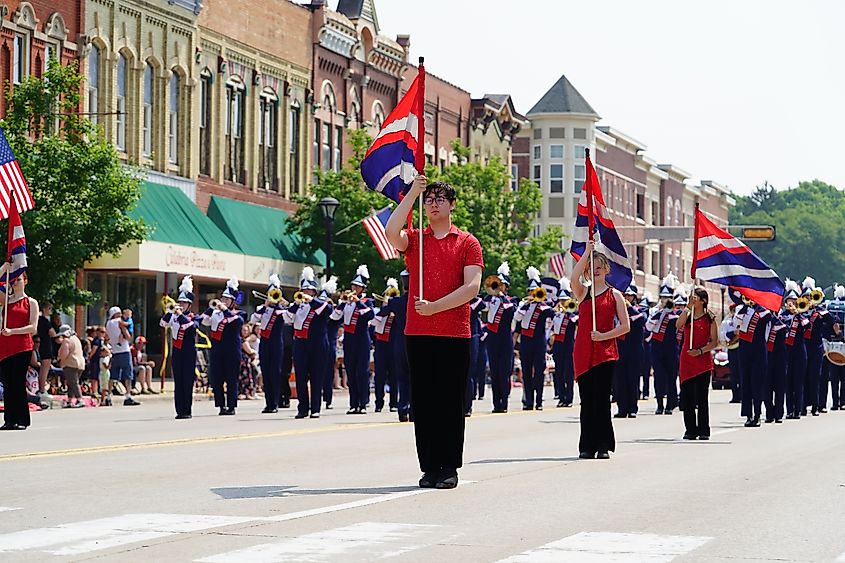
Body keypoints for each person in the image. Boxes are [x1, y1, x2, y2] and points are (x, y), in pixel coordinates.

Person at [385, 175, 484, 489]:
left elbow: (472, 287)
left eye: (440, 198)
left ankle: (449, 467)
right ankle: (429, 467)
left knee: (450, 402)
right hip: (419, 332)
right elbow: (390, 232)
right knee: (424, 402)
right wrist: (413, 192)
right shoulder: (417, 240)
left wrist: (436, 307)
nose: (433, 203)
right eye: (429, 199)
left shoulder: (467, 242)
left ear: (452, 205)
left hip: (454, 333)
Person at [569, 243, 630, 460]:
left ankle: (603, 444)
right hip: (583, 351)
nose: (595, 270)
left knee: (602, 399)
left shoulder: (615, 295)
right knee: (587, 401)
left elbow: (625, 326)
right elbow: (572, 279)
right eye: (591, 267)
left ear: (606, 269)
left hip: (605, 352)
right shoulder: (583, 292)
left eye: (599, 267)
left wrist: (604, 336)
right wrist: (586, 252)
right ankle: (587, 445)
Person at [285, 266, 331, 419]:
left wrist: (311, 301)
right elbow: (287, 319)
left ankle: (316, 408)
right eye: (304, 290)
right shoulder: (298, 306)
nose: (305, 293)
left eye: (309, 290)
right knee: (301, 376)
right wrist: (296, 304)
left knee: (317, 377)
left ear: (314, 292)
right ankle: (302, 408)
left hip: (317, 344)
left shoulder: (321, 304)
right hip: (300, 344)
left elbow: (327, 311)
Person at [676, 287, 718, 439]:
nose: (692, 299)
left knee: (701, 398)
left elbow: (714, 342)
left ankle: (703, 430)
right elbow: (678, 325)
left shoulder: (710, 318)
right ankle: (690, 430)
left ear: (703, 300)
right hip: (687, 360)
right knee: (687, 398)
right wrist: (687, 308)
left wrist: (700, 351)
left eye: (695, 297)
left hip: (702, 360)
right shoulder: (688, 316)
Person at [332, 265, 375, 414]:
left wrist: (357, 301)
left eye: (357, 286)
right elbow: (334, 317)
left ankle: (363, 403)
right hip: (349, 340)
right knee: (350, 371)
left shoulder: (367, 301)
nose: (354, 288)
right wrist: (342, 304)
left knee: (362, 372)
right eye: (353, 286)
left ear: (363, 288)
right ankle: (353, 403)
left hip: (362, 339)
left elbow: (370, 316)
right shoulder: (347, 303)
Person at [0, 264, 39, 429]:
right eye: (13, 280)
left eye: (19, 280)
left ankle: (21, 419)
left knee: (17, 382)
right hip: (5, 347)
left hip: (22, 347)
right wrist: (3, 268)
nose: (15, 283)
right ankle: (9, 419)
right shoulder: (6, 301)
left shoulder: (31, 302)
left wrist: (12, 331)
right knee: (8, 384)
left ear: (25, 281)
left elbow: (33, 327)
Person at [200, 278, 245, 415]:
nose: (223, 301)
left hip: (232, 350)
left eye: (227, 299)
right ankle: (221, 405)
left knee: (231, 378)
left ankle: (231, 406)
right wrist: (211, 307)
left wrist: (224, 309)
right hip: (217, 349)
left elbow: (236, 322)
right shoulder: (215, 313)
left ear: (233, 301)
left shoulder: (239, 314)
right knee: (217, 378)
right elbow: (203, 321)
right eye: (223, 298)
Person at [514, 270, 556, 411]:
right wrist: (527, 304)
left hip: (539, 343)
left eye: (535, 291)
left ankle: (539, 400)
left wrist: (543, 302)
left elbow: (553, 314)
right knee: (526, 372)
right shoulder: (523, 305)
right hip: (526, 342)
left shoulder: (544, 308)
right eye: (531, 291)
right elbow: (517, 318)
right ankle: (528, 401)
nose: (533, 294)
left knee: (539, 372)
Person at [160, 275, 198, 419]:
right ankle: (179, 410)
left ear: (189, 305)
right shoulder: (174, 317)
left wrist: (179, 313)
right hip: (177, 352)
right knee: (178, 381)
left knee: (187, 381)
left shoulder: (194, 317)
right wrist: (170, 312)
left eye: (184, 303)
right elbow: (162, 324)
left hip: (188, 353)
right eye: (180, 302)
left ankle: (187, 410)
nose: (181, 305)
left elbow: (189, 326)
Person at [482, 262, 517, 413]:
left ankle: (504, 401)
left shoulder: (511, 300)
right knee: (494, 371)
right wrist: (492, 298)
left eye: (502, 284)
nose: (499, 286)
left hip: (505, 340)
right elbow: (482, 309)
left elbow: (512, 312)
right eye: (497, 284)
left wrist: (501, 297)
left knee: (504, 372)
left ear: (506, 287)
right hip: (492, 339)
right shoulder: (488, 299)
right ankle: (496, 403)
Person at [251, 274, 287, 414]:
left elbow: (288, 317)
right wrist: (265, 307)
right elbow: (253, 319)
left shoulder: (281, 310)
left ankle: (276, 402)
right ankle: (268, 403)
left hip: (276, 343)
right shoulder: (262, 308)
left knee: (275, 372)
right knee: (266, 372)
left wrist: (282, 304)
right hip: (265, 343)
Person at [646, 273, 681, 415]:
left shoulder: (676, 313)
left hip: (671, 347)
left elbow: (679, 326)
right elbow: (648, 327)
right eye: (664, 298)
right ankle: (660, 404)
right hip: (657, 347)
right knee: (659, 376)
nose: (666, 301)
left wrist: (670, 311)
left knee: (671, 376)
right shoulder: (654, 312)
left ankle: (671, 404)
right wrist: (660, 312)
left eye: (669, 298)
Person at [372, 278, 400, 413]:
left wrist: (393, 308)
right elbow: (373, 324)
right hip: (381, 346)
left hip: (393, 346)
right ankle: (379, 403)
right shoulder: (380, 311)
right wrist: (385, 309)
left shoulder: (398, 312)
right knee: (380, 376)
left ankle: (394, 403)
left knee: (394, 375)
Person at [105, 306, 140, 406]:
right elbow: (128, 337)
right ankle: (128, 396)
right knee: (128, 375)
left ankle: (108, 396)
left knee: (113, 375)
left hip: (115, 351)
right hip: (124, 351)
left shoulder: (108, 324)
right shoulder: (119, 322)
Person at [551, 278, 578, 408]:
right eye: (561, 300)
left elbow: (577, 322)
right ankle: (561, 397)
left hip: (569, 346)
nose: (562, 302)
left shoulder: (573, 313)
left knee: (568, 372)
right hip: (558, 345)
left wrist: (569, 312)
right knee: (559, 372)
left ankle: (569, 398)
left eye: (564, 300)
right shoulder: (555, 314)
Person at [318, 276, 340, 410]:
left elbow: (334, 317)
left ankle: (328, 398)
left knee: (328, 372)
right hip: (318, 343)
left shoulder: (333, 312)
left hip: (330, 344)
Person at [55, 324, 86, 408]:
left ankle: (80, 399)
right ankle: (69, 400)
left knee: (73, 382)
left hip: (70, 363)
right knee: (72, 383)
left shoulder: (66, 341)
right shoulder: (76, 339)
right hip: (80, 363)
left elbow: (65, 353)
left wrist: (59, 358)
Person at [36, 302, 56, 398]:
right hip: (46, 345)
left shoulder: (38, 320)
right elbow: (52, 333)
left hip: (42, 345)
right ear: (44, 309)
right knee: (45, 369)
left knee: (44, 369)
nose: (50, 311)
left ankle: (42, 389)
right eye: (49, 308)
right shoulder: (44, 320)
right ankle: (42, 390)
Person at [239, 324, 257, 400]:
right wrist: (254, 351)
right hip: (243, 361)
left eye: (247, 330)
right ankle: (245, 393)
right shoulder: (243, 340)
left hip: (245, 361)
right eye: (244, 330)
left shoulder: (246, 339)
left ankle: (247, 393)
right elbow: (249, 351)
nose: (245, 332)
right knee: (245, 378)